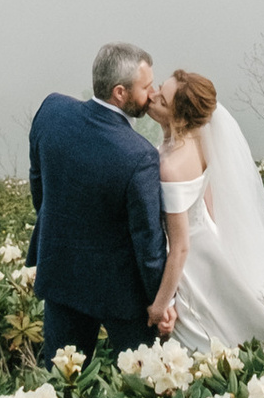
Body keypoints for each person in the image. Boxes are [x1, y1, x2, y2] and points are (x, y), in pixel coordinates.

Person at [27, 43, 183, 362]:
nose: (152, 93)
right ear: (120, 93)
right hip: (121, 294)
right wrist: (160, 301)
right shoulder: (139, 155)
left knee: (62, 381)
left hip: (62, 275)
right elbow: (148, 241)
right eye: (145, 87)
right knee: (142, 384)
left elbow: (38, 181)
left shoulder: (52, 110)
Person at [148, 68, 264, 351]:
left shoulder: (171, 166)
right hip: (209, 242)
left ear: (181, 117)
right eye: (159, 88)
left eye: (162, 99)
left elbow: (181, 247)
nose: (151, 96)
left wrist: (159, 305)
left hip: (191, 260)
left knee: (211, 337)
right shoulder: (199, 141)